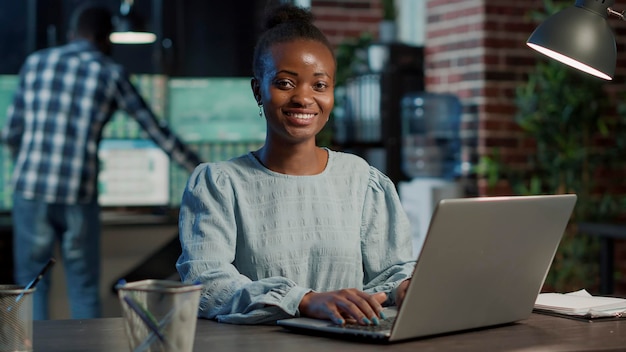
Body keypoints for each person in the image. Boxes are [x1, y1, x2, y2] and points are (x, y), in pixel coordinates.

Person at [176, 3, 414, 326]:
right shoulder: (219, 184)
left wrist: (404, 288)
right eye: (285, 83)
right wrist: (303, 300)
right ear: (258, 90)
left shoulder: (361, 180)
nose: (304, 98)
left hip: (350, 345)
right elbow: (206, 285)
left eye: (319, 85)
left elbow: (391, 273)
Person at [1, 5, 202, 320]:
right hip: (77, 194)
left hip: (30, 190)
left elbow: (12, 132)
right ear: (106, 39)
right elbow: (157, 132)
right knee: (82, 287)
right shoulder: (110, 72)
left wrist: (24, 165)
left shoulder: (36, 62)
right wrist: (203, 170)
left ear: (71, 35)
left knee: (32, 285)